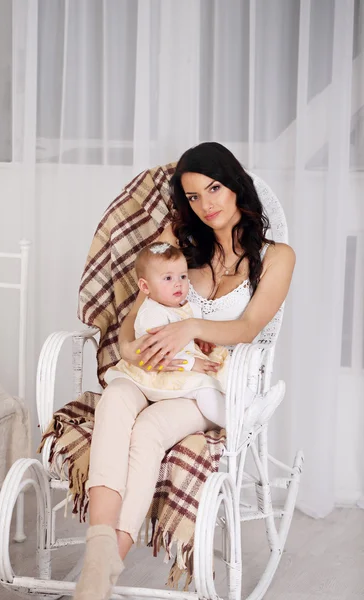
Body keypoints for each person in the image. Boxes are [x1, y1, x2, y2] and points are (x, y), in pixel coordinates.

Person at [74, 142, 295, 600]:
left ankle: (109, 560)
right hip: (153, 370)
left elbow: (250, 326)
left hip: (206, 383)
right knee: (115, 399)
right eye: (194, 197)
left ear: (236, 185)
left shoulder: (277, 257)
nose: (207, 204)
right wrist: (129, 347)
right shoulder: (180, 243)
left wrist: (190, 326)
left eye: (213, 188)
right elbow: (137, 312)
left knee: (151, 427)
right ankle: (98, 556)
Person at [104, 240, 284, 430]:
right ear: (145, 287)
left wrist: (200, 338)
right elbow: (160, 352)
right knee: (204, 389)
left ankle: (253, 402)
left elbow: (194, 324)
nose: (178, 284)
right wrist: (192, 364)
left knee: (224, 366)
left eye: (182, 276)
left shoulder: (183, 306)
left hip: (184, 362)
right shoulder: (152, 314)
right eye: (168, 279)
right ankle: (235, 423)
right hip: (162, 371)